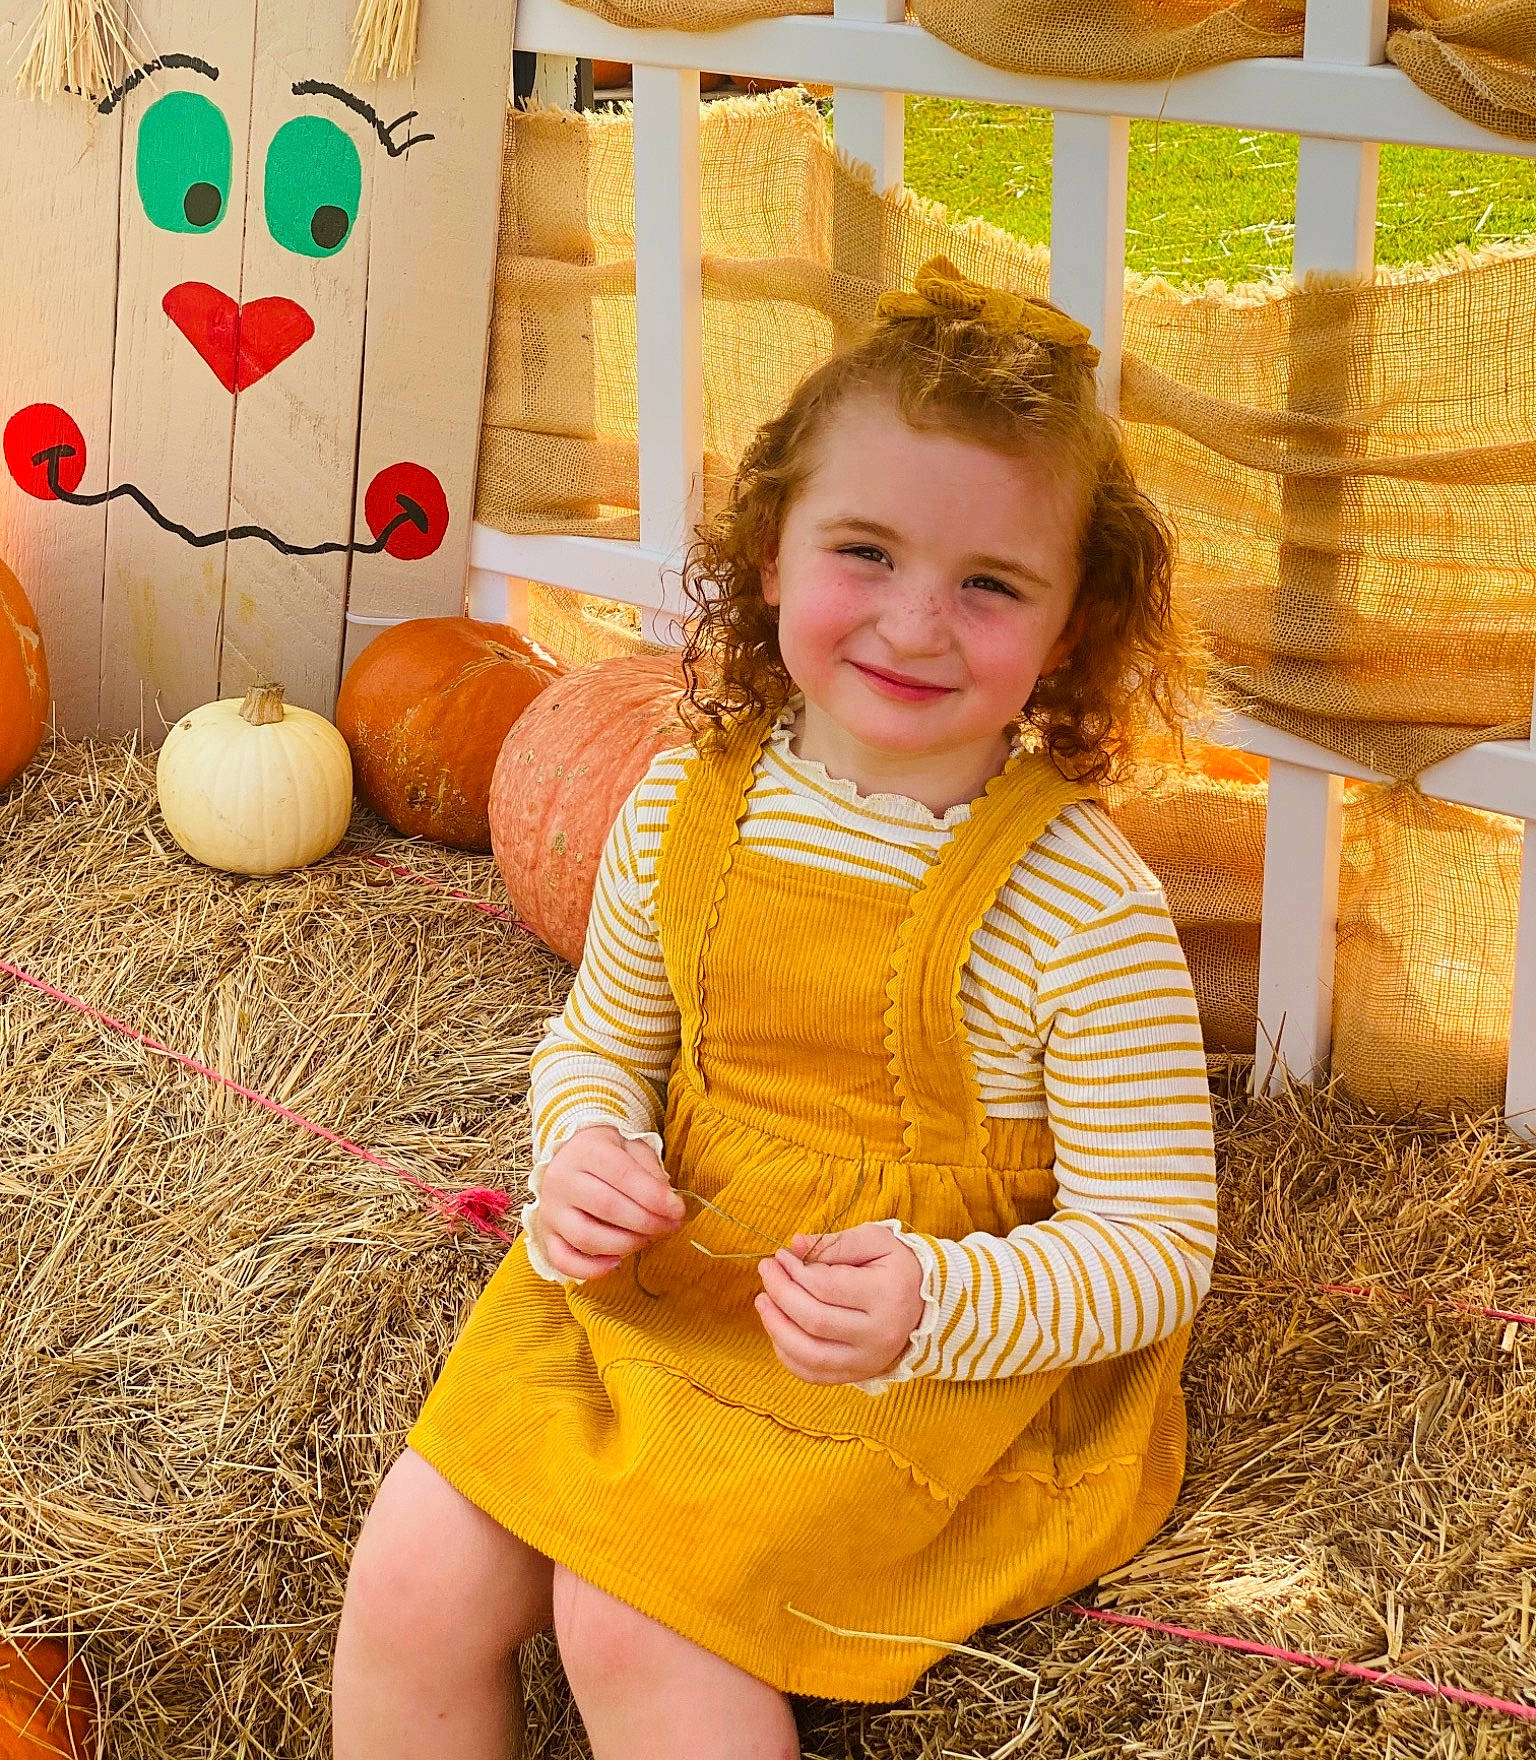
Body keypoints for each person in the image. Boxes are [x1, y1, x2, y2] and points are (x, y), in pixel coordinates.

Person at [332, 255, 1219, 1760]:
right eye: (864, 553)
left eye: (991, 584)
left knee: (629, 1619)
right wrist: (587, 1152)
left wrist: (940, 1304)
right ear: (766, 554)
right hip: (674, 1273)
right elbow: (600, 1047)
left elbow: (1156, 1246)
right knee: (409, 1579)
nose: (917, 624)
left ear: (1072, 628)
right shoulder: (684, 797)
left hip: (900, 1347)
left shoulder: (1083, 905)